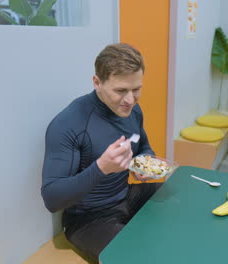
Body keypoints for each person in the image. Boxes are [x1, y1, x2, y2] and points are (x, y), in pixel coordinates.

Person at [41, 43, 161, 262]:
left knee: (181, 194)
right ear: (97, 82)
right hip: (88, 219)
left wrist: (145, 161)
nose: (130, 100)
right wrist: (101, 168)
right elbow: (51, 199)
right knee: (137, 257)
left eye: (136, 89)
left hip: (127, 196)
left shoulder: (132, 109)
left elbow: (143, 144)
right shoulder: (69, 124)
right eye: (121, 91)